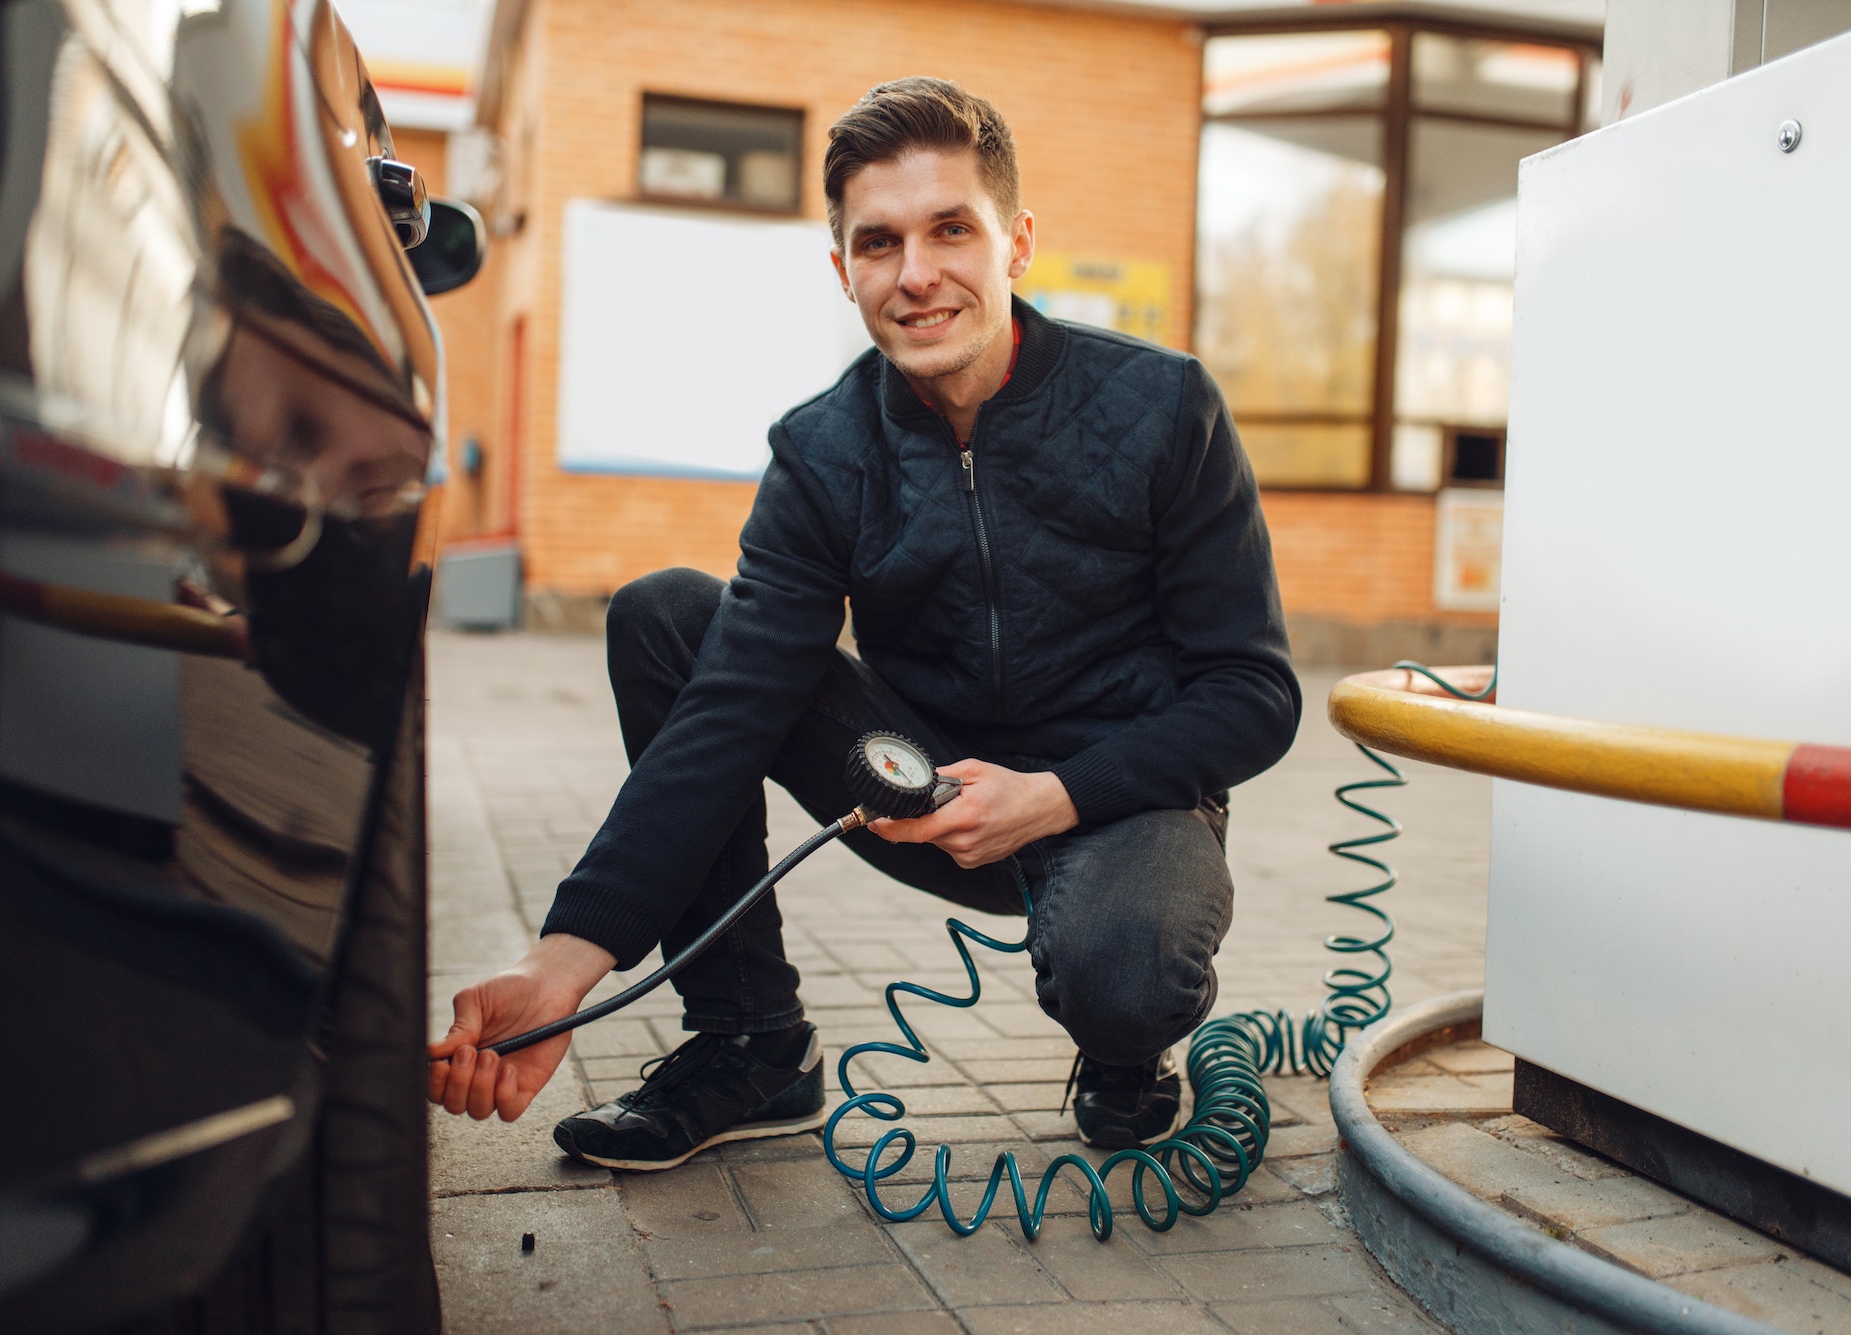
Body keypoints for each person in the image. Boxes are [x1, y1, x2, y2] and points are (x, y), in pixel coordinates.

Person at [427, 77, 1301, 1170]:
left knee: (1123, 976)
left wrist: (1052, 797)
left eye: (950, 230)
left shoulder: (1162, 407)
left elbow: (1253, 695)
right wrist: (561, 962)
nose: (916, 274)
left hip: (1119, 802)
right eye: (878, 243)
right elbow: (729, 709)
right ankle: (747, 1042)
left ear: (1015, 241)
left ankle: (1122, 1047)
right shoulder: (823, 451)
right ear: (842, 269)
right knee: (667, 617)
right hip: (921, 791)